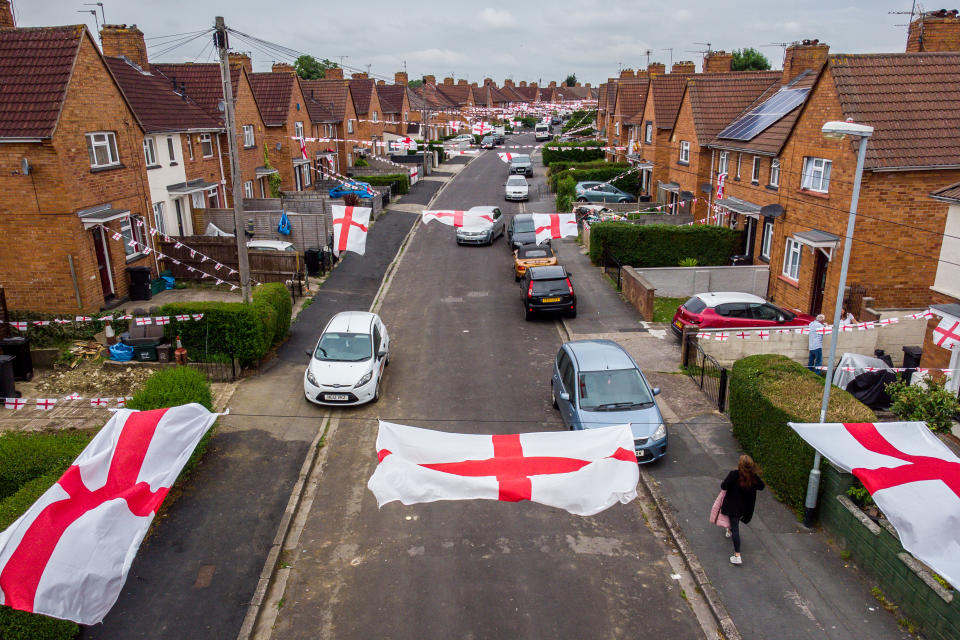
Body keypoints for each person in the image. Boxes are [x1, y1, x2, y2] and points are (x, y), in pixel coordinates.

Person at [720, 455, 765, 565]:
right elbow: (762, 486)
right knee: (734, 523)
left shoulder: (734, 474)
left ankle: (737, 555)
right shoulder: (753, 477)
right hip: (745, 508)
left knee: (735, 528)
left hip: (732, 506)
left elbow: (724, 486)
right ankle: (729, 530)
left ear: (740, 465)